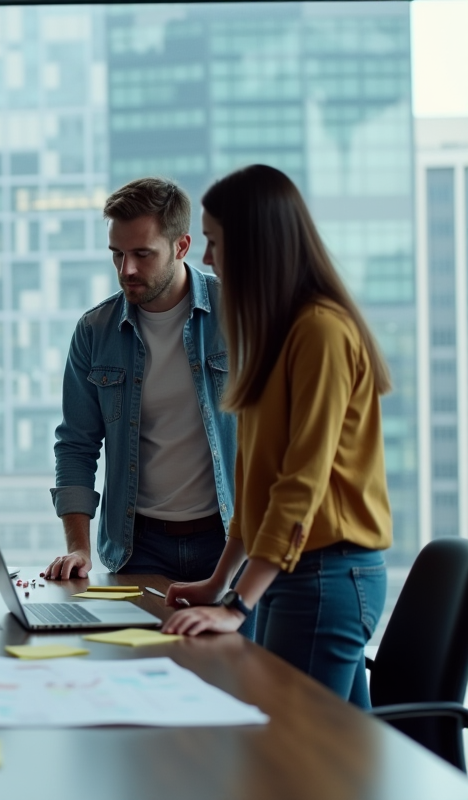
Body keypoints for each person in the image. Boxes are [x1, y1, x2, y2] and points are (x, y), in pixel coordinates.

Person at [162, 164, 391, 709]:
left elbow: (300, 486)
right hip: (298, 572)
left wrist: (237, 607)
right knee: (337, 762)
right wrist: (219, 584)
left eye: (216, 243)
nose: (208, 260)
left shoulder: (321, 332)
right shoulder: (278, 334)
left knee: (289, 754)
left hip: (325, 574)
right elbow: (256, 484)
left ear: (256, 245)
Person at [45, 178, 239, 594]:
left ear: (181, 246)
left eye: (142, 254)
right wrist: (79, 549)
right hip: (138, 547)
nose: (126, 270)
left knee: (230, 659)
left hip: (229, 539)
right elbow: (76, 445)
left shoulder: (237, 315)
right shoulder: (95, 331)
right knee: (138, 657)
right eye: (117, 254)